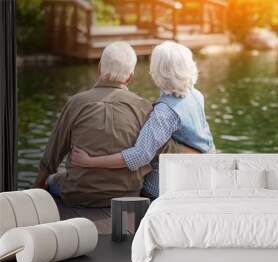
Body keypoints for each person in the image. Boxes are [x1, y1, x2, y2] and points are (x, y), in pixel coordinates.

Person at [33, 41, 187, 207]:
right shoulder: (145, 108)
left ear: (99, 69)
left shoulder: (76, 103)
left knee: (51, 180)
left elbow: (51, 156)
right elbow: (163, 150)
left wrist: (36, 189)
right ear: (130, 76)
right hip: (127, 196)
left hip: (77, 194)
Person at [71, 41, 215, 199]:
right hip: (203, 171)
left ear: (156, 71)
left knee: (136, 180)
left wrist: (90, 161)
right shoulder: (195, 95)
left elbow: (140, 156)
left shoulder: (164, 113)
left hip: (180, 182)